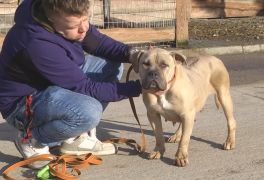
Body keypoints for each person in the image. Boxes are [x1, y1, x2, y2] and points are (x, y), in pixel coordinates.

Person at [0, 0, 166, 169]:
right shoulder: (37, 42)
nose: (84, 28)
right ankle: (33, 139)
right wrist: (138, 88)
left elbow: (99, 43)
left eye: (85, 19)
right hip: (22, 105)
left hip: (49, 87)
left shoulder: (66, 15)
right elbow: (86, 88)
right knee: (89, 112)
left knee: (110, 65)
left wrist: (131, 54)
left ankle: (74, 139)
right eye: (74, 26)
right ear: (52, 21)